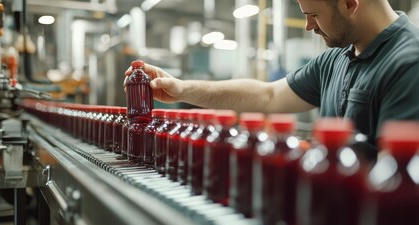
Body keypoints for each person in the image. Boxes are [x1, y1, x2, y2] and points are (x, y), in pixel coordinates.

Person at [125, 0, 419, 161]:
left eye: (313, 14)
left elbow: (396, 178)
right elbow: (267, 96)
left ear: (350, 3)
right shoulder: (337, 58)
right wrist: (182, 89)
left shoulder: (408, 63)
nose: (308, 25)